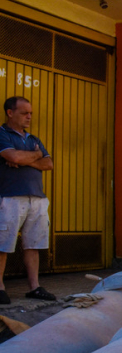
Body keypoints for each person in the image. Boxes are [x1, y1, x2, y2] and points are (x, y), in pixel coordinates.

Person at [0, 96, 56, 304]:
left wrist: (26, 160)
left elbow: (49, 164)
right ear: (10, 113)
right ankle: (0, 288)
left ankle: (34, 287)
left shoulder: (33, 139)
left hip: (37, 198)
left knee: (33, 244)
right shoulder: (2, 134)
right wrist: (34, 156)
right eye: (24, 113)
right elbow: (13, 157)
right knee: (3, 244)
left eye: (30, 113)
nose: (29, 117)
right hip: (10, 197)